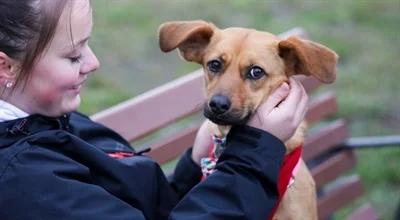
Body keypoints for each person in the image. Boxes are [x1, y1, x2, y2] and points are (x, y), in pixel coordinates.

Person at [0, 0, 309, 219]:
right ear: (6, 66)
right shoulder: (25, 183)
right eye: (72, 55)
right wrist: (253, 155)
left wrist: (193, 163)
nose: (94, 63)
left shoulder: (53, 119)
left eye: (87, 45)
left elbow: (151, 209)